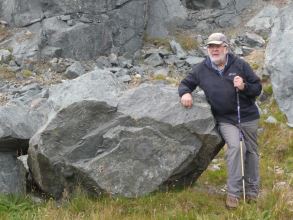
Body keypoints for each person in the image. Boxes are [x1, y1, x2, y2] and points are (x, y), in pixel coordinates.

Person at [178, 33, 262, 208]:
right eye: (211, 46)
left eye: (218, 46)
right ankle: (233, 193)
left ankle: (252, 190)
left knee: (251, 153)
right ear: (208, 49)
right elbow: (185, 83)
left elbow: (257, 88)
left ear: (226, 47)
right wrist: (185, 93)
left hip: (247, 116)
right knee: (237, 147)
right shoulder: (201, 69)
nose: (214, 49)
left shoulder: (240, 64)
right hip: (225, 120)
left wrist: (244, 86)